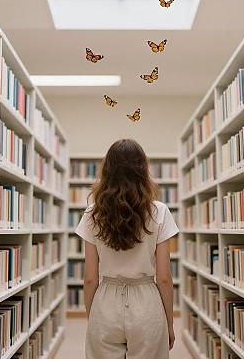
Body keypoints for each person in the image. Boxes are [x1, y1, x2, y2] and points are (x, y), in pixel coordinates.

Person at [75, 139, 179, 359]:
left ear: (107, 169)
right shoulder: (159, 211)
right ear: (143, 169)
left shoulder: (92, 214)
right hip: (147, 304)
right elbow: (163, 277)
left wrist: (92, 317)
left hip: (105, 302)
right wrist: (168, 323)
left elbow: (91, 278)